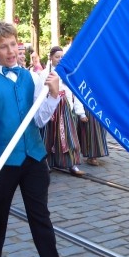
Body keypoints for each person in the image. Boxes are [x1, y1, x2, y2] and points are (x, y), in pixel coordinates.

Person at [0, 21, 78, 257]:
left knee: (40, 215)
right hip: (3, 161)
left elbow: (39, 120)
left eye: (13, 44)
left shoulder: (32, 78)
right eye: (3, 46)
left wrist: (53, 97)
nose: (10, 51)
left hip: (33, 158)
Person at [43, 46, 86, 177]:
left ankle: (72, 163)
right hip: (50, 106)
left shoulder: (67, 73)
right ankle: (46, 162)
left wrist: (79, 111)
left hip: (65, 106)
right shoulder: (45, 74)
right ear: (51, 58)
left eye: (62, 57)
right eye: (57, 57)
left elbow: (74, 92)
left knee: (69, 136)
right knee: (48, 136)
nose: (60, 59)